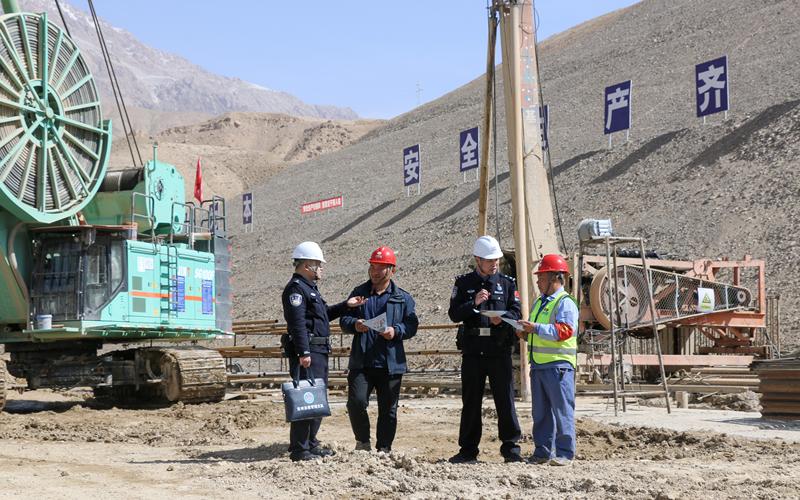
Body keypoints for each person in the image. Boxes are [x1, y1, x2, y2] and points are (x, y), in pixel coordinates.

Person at [281, 241, 365, 462]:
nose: (321, 268)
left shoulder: (309, 289)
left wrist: (347, 305)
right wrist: (303, 352)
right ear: (307, 265)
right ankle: (300, 448)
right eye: (318, 264)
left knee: (316, 397)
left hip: (318, 350)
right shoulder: (296, 289)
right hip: (309, 351)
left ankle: (310, 442)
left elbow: (323, 315)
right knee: (306, 397)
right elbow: (297, 324)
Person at [447, 235, 524, 464]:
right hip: (473, 351)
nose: (494, 264)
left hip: (499, 350)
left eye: (496, 260)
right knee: (471, 402)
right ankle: (468, 450)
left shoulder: (507, 283)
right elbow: (454, 314)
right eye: (490, 260)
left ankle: (511, 449)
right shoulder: (463, 283)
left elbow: (517, 311)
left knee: (505, 401)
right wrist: (474, 304)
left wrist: (504, 317)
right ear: (478, 260)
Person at [340, 246, 418, 453]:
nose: (374, 272)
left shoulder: (402, 298)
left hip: (390, 363)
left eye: (380, 268)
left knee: (388, 410)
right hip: (362, 361)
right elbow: (344, 320)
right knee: (356, 403)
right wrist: (355, 324)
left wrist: (396, 331)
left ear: (392, 270)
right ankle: (362, 442)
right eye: (372, 267)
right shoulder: (359, 293)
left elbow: (412, 325)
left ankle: (384, 449)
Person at [517, 253, 579, 466]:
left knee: (562, 412)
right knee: (541, 414)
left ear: (555, 278)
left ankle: (565, 454)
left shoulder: (565, 303)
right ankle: (543, 452)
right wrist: (524, 333)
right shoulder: (540, 303)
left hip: (559, 366)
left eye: (541, 277)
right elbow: (538, 332)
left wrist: (534, 328)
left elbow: (565, 331)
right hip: (539, 366)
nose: (538, 282)